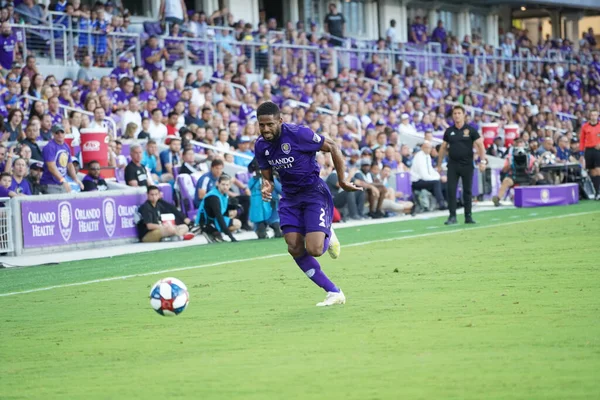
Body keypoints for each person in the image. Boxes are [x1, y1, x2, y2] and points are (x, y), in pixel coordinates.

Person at [255, 101, 361, 307]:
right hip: (289, 198)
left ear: (280, 121)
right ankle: (334, 291)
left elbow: (332, 146)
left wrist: (341, 180)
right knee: (294, 247)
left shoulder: (298, 134)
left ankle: (328, 232)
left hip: (314, 194)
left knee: (314, 249)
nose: (265, 129)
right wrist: (266, 185)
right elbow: (266, 174)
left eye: (269, 124)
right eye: (261, 125)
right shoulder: (261, 145)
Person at [437, 105, 487, 225]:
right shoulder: (449, 131)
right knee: (451, 190)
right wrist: (439, 164)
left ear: (464, 115)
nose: (457, 115)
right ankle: (452, 216)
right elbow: (443, 147)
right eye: (455, 113)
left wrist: (482, 161)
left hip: (467, 165)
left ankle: (468, 216)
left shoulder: (470, 130)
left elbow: (481, 145)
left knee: (467, 191)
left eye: (459, 113)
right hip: (453, 165)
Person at [196, 174, 242, 243]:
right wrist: (231, 236)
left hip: (214, 219)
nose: (225, 187)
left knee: (235, 215)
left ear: (230, 185)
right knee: (236, 223)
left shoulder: (224, 195)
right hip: (206, 222)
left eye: (227, 185)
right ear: (218, 184)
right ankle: (209, 231)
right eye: (223, 184)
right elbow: (218, 215)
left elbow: (223, 207)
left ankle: (217, 234)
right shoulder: (213, 197)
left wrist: (236, 207)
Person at [492, 138, 538, 207]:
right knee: (506, 181)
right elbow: (504, 170)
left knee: (537, 178)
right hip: (514, 176)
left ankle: (536, 198)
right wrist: (508, 166)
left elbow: (535, 168)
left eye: (521, 142)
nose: (520, 144)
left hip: (526, 176)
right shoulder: (510, 157)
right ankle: (498, 199)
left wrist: (536, 166)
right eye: (518, 143)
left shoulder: (530, 157)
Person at [40, 124, 84, 194]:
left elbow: (69, 164)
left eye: (62, 132)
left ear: (65, 133)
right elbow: (51, 167)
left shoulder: (66, 146)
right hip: (50, 183)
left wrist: (75, 179)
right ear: (53, 134)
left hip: (60, 183)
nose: (60, 135)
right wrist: (63, 180)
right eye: (57, 133)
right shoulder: (50, 147)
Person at [247, 158, 282, 239]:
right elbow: (281, 190)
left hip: (265, 210)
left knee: (269, 226)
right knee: (265, 229)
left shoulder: (254, 181)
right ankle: (274, 228)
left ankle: (273, 228)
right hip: (266, 209)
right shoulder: (267, 179)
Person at [410, 141, 447, 210]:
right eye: (426, 147)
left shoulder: (427, 156)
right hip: (417, 181)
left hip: (425, 179)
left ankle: (450, 202)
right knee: (436, 182)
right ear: (422, 148)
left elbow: (431, 170)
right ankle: (441, 203)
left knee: (444, 183)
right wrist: (438, 178)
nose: (428, 149)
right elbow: (424, 175)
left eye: (429, 148)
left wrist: (439, 177)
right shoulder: (419, 157)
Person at [579, 109, 600, 199]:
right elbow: (582, 140)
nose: (594, 117)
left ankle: (599, 191)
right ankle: (597, 191)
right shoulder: (585, 127)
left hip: (597, 150)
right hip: (589, 150)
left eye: (595, 115)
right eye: (592, 115)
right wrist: (581, 153)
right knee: (592, 172)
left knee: (598, 170)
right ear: (590, 116)